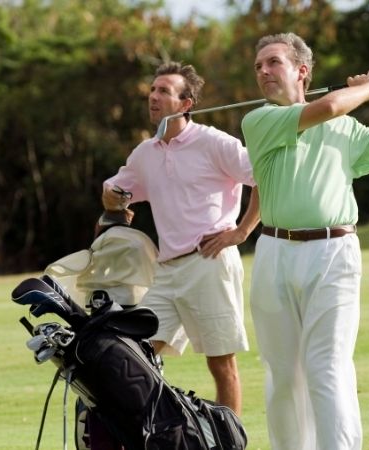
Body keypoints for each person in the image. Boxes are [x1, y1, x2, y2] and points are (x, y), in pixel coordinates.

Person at [240, 32, 369, 450]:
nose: (263, 72)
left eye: (273, 63)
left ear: (301, 71)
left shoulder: (347, 129)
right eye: (259, 66)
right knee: (284, 373)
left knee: (328, 367)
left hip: (334, 253)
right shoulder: (259, 121)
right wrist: (368, 87)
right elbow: (328, 106)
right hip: (274, 253)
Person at [104, 62, 260, 414]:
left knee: (221, 365)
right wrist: (114, 197)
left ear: (186, 103)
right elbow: (116, 191)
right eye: (152, 90)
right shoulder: (145, 153)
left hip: (209, 263)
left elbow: (263, 178)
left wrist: (242, 231)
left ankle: (227, 440)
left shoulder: (215, 142)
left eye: (163, 91)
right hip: (166, 272)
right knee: (133, 354)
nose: (153, 97)